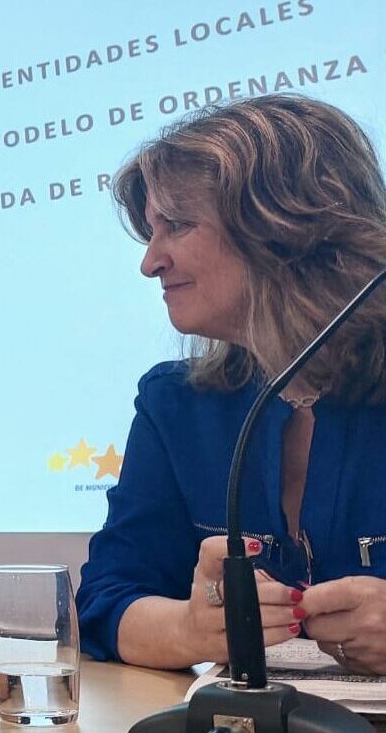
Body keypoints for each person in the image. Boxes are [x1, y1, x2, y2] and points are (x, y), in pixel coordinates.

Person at [76, 94, 386, 674]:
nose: (150, 262)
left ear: (285, 225)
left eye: (177, 225)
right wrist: (189, 629)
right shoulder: (177, 404)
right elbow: (105, 600)